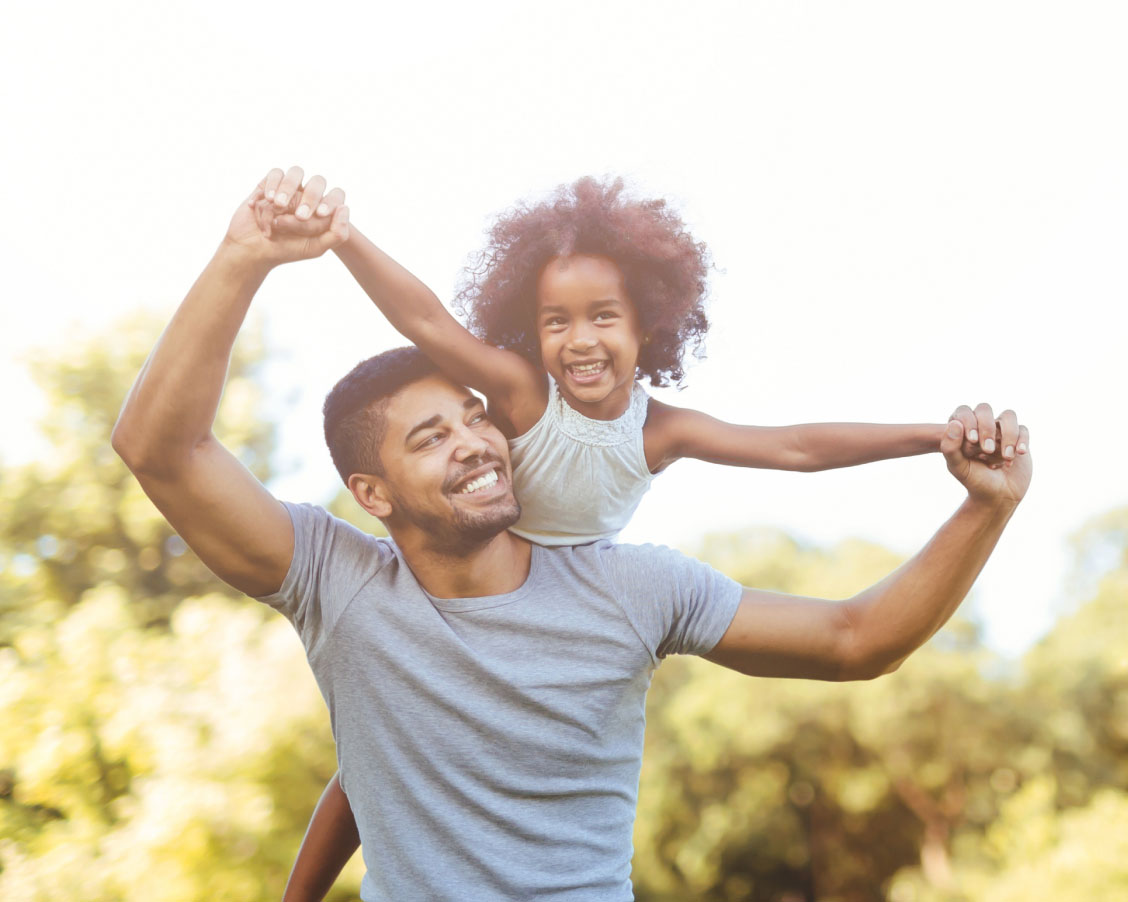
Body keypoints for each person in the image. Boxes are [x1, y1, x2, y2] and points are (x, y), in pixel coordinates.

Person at [112, 169, 1030, 902]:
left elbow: (854, 639)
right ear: (371, 492)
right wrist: (245, 257)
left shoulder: (633, 589)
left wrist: (983, 505)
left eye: (474, 419)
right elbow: (162, 449)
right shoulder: (335, 582)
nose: (476, 439)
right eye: (431, 438)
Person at [292, 168, 1028, 546]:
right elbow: (429, 322)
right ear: (530, 326)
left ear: (649, 326)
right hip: (476, 572)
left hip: (572, 600)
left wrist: (933, 437)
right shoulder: (522, 393)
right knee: (377, 738)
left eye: (603, 317)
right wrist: (343, 237)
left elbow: (797, 448)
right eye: (556, 321)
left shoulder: (661, 432)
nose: (579, 340)